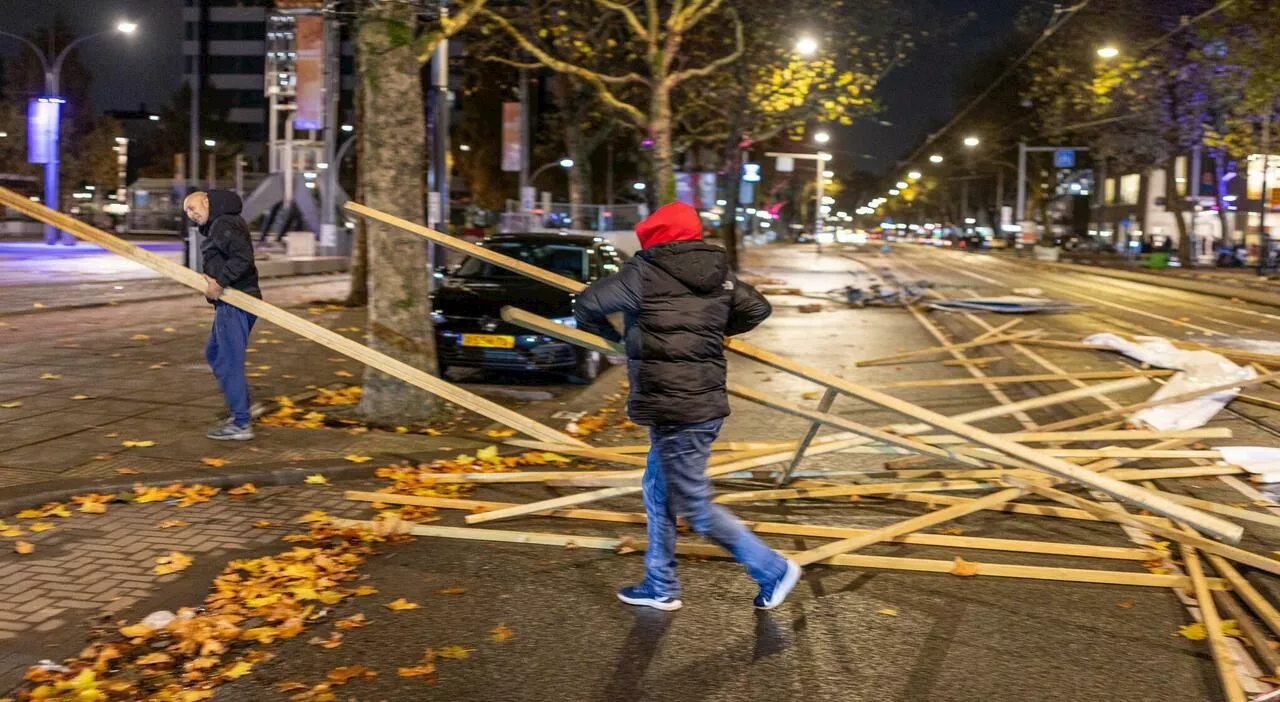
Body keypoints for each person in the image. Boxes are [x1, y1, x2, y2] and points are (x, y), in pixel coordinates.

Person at [574, 202, 801, 612]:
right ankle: (660, 583)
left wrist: (614, 342)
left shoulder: (644, 272)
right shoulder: (718, 274)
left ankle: (772, 568)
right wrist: (713, 327)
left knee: (693, 505)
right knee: (658, 492)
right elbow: (758, 308)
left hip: (676, 408)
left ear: (654, 238)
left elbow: (586, 305)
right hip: (701, 404)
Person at [183, 190, 262, 441]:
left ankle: (241, 423)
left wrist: (220, 283)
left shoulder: (223, 222)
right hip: (231, 301)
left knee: (228, 360)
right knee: (215, 353)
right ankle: (245, 405)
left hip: (236, 300)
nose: (191, 214)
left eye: (193, 207)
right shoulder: (220, 223)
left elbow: (243, 258)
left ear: (207, 201)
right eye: (187, 212)